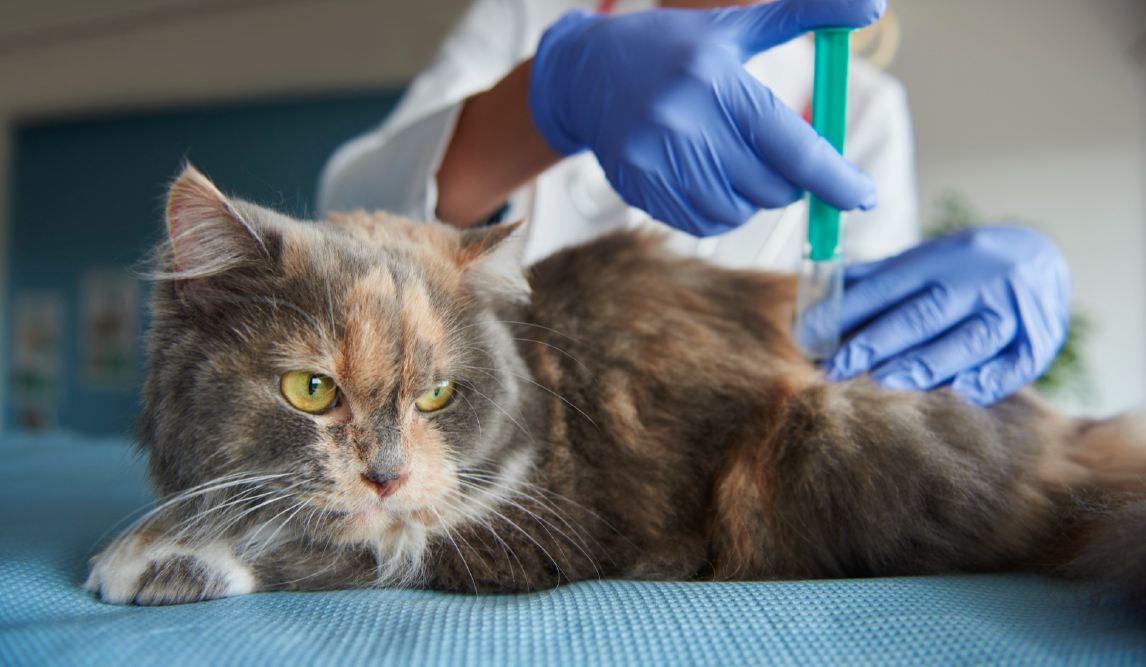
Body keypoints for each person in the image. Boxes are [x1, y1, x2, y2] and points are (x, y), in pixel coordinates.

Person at [319, 0, 1071, 407]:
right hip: (491, 442)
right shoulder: (533, 13)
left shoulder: (864, 106)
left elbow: (875, 361)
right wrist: (553, 93)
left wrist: (981, 317)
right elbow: (352, 207)